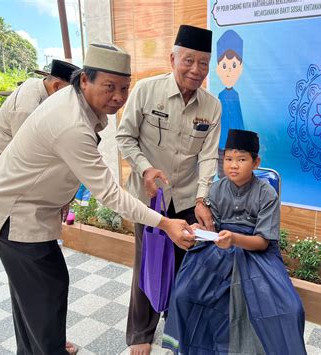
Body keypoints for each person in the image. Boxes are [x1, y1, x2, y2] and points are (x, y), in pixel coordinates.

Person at [0, 43, 194, 355]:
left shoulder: (77, 105)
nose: (119, 97)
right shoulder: (71, 123)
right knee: (47, 294)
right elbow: (108, 192)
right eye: (109, 87)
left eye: (124, 88)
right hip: (14, 216)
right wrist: (164, 223)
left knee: (34, 297)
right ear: (84, 80)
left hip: (22, 209)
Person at [116, 24, 222, 354]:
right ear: (172, 58)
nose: (195, 70)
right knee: (149, 261)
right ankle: (141, 334)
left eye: (203, 63)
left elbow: (208, 156)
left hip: (189, 197)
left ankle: (176, 325)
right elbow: (124, 137)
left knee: (183, 265)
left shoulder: (212, 105)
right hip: (150, 196)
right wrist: (145, 168)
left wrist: (203, 198)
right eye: (188, 60)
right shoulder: (147, 91)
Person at [162, 129, 307, 354]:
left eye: (241, 159)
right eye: (228, 159)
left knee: (290, 308)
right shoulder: (217, 188)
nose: (233, 165)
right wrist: (199, 230)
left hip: (256, 253)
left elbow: (263, 242)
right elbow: (214, 227)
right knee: (184, 293)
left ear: (256, 162)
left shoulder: (266, 193)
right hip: (219, 247)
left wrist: (235, 240)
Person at [0, 59, 79, 179]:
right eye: (70, 93)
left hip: (9, 167)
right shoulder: (26, 107)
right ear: (56, 86)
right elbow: (25, 152)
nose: (71, 99)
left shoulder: (39, 86)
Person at [216, 30, 245, 177]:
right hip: (222, 146)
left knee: (237, 178)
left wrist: (243, 141)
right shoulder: (219, 97)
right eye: (224, 66)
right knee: (223, 178)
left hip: (237, 146)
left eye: (233, 65)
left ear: (240, 67)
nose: (228, 71)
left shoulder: (236, 96)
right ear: (218, 68)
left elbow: (239, 121)